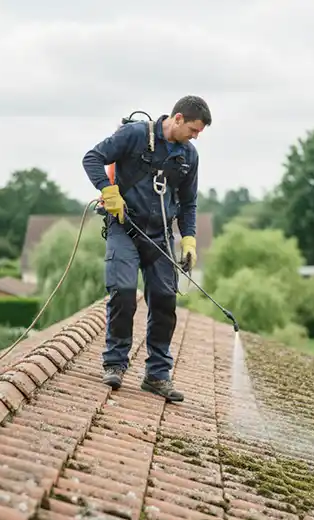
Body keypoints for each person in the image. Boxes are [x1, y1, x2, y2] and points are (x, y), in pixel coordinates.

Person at [82, 95, 211, 402]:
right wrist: (108, 191)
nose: (195, 137)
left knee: (165, 300)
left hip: (160, 236)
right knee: (124, 291)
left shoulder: (188, 156)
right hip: (124, 229)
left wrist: (189, 239)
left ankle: (157, 375)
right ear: (177, 119)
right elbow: (91, 158)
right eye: (193, 129)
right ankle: (114, 364)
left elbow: (189, 203)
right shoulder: (135, 135)